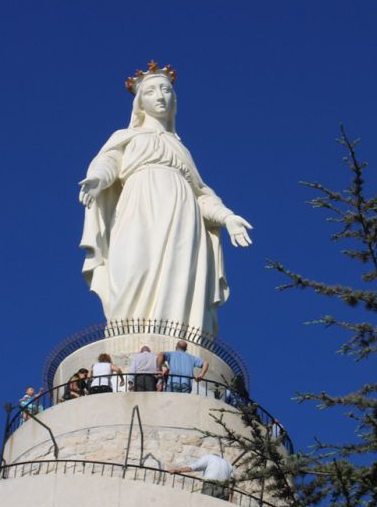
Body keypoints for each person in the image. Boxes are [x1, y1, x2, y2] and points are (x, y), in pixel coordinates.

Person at [79, 61, 252, 336]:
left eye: (166, 90)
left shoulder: (180, 148)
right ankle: (127, 336)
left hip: (183, 216)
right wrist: (97, 180)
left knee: (179, 278)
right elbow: (109, 162)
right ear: (139, 102)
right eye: (151, 91)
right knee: (132, 269)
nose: (160, 96)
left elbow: (201, 194)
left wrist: (227, 217)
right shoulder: (126, 137)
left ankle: (179, 339)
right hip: (138, 207)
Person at [169, 453, 233, 500]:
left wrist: (178, 470)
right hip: (224, 490)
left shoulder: (209, 457)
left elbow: (195, 466)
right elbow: (232, 481)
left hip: (211, 486)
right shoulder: (228, 463)